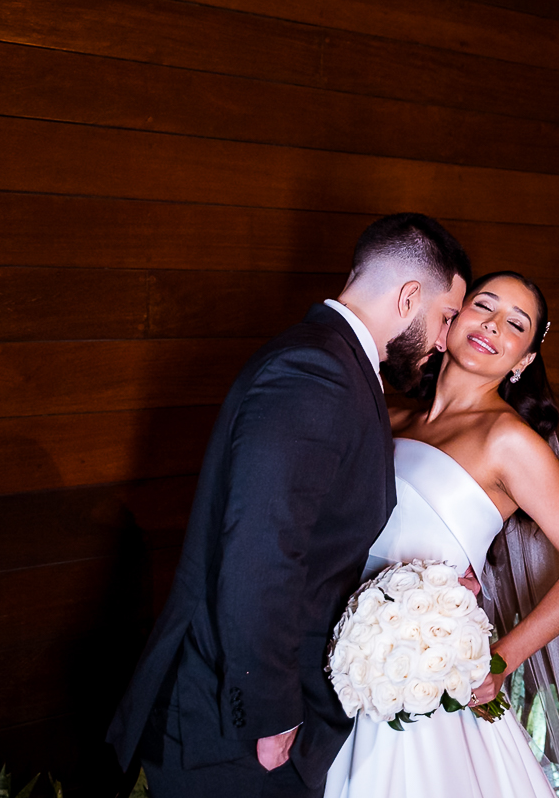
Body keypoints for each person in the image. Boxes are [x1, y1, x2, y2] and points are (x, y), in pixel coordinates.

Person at [107, 213, 471, 797]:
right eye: (446, 317)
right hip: (231, 730)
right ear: (408, 297)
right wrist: (270, 711)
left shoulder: (338, 365)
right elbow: (262, 550)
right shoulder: (317, 370)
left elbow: (322, 540)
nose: (443, 340)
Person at [325, 271, 559, 798]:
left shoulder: (508, 440)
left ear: (523, 360)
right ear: (451, 318)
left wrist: (501, 660)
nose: (493, 325)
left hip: (423, 683)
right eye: (483, 306)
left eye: (515, 324)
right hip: (343, 666)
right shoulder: (388, 415)